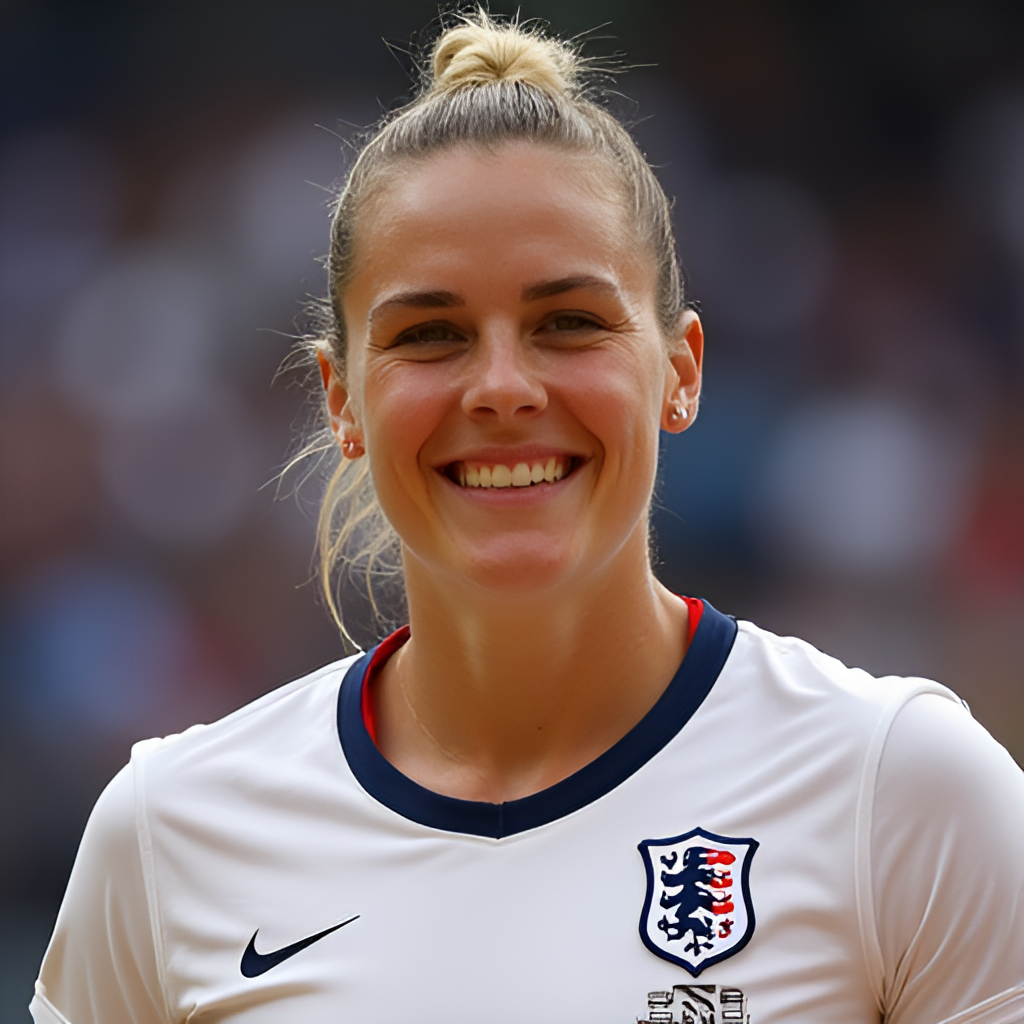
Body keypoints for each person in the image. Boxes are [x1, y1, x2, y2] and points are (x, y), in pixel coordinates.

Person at [30, 13, 1024, 1024]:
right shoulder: (167, 832)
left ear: (679, 371)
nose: (502, 386)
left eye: (567, 322)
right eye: (431, 333)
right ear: (341, 401)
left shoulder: (900, 792)